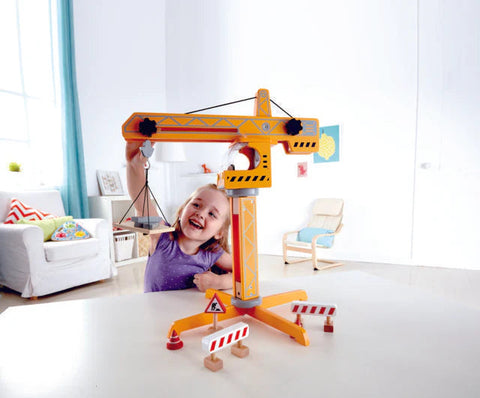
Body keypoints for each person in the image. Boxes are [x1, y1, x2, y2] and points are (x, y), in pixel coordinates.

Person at [125, 142, 233, 293]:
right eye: (196, 205)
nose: (200, 214)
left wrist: (219, 281)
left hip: (189, 313)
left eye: (212, 214)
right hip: (156, 314)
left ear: (219, 232)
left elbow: (245, 273)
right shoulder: (163, 237)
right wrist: (134, 165)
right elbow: (141, 201)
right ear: (182, 210)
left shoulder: (213, 253)